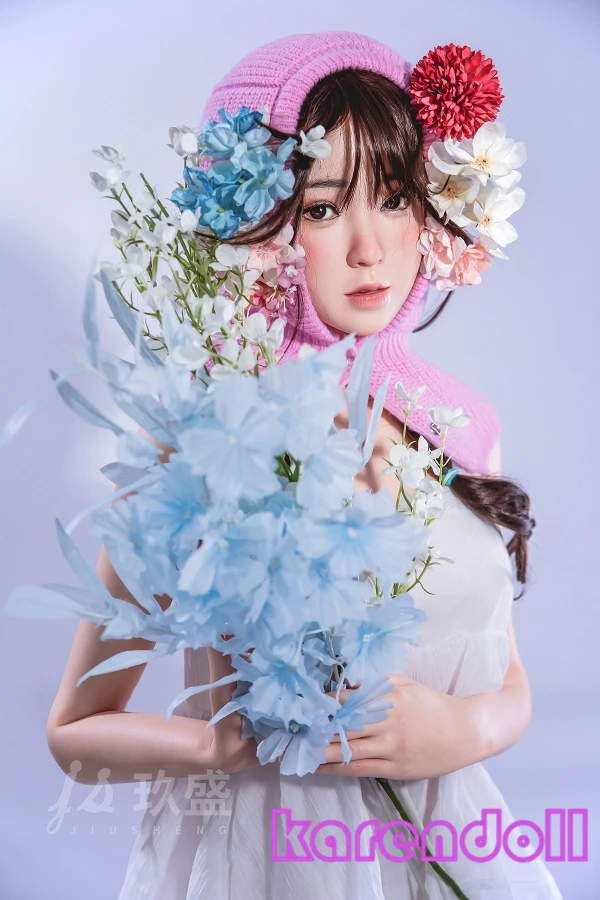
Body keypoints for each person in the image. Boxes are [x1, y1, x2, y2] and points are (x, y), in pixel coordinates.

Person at [46, 31, 563, 899]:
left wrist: (464, 731)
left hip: (454, 842)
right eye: (322, 209)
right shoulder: (206, 435)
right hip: (272, 853)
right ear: (258, 224)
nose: (370, 247)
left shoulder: (462, 424)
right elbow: (74, 730)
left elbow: (508, 678)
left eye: (393, 198)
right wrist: (218, 743)